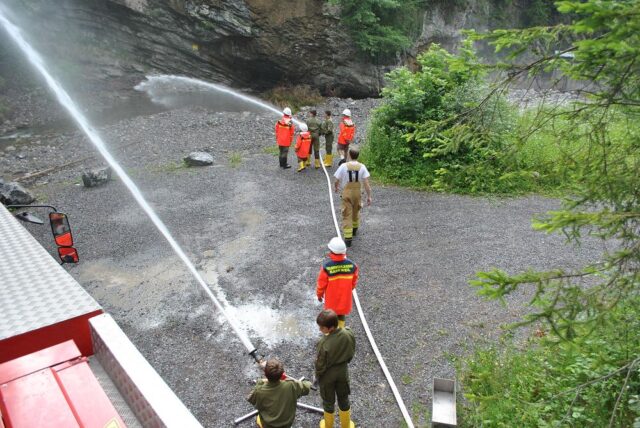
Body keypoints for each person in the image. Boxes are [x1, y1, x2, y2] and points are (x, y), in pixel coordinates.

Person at [315, 309, 356, 428]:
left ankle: (328, 426)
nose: (320, 330)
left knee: (328, 401)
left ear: (331, 328)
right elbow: (351, 350)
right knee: (343, 398)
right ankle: (346, 425)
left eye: (322, 328)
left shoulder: (324, 343)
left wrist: (318, 375)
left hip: (328, 375)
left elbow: (320, 364)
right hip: (343, 371)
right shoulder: (348, 333)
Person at [247, 358, 312, 428]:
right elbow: (308, 386)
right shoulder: (291, 385)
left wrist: (260, 381)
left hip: (269, 425)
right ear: (282, 374)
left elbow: (250, 398)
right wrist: (286, 379)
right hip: (287, 423)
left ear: (265, 374)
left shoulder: (259, 390)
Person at [334, 147, 372, 247]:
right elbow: (366, 184)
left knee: (347, 213)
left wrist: (336, 187)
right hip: (357, 193)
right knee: (356, 211)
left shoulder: (343, 166)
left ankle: (348, 238)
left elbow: (336, 179)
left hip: (347, 192)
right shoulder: (362, 166)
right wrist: (369, 196)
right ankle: (354, 230)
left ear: (349, 155)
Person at [316, 237, 358, 329]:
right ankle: (341, 331)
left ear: (330, 251)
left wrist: (319, 295)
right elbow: (354, 282)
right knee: (341, 315)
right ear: (344, 251)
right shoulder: (352, 265)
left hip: (331, 301)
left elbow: (321, 285)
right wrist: (348, 290)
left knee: (330, 318)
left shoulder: (326, 267)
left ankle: (331, 333)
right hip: (344, 299)